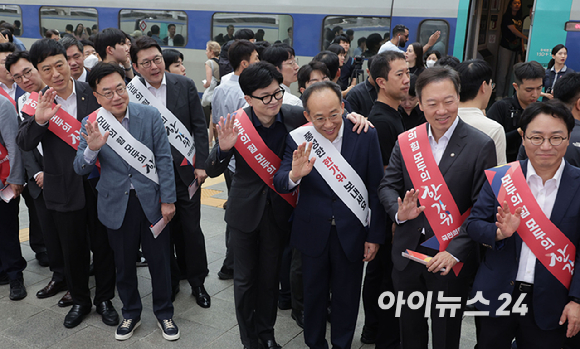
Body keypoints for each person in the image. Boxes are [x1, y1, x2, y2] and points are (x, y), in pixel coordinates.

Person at [378, 67, 497, 349]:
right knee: (410, 332)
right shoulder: (407, 141)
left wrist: (455, 252)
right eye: (432, 103)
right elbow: (387, 186)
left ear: (459, 97)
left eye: (449, 101)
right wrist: (398, 212)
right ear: (420, 104)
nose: (441, 110)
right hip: (408, 257)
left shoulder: (481, 145)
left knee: (446, 335)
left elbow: (484, 207)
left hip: (450, 259)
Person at [273, 80, 385, 349]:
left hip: (352, 232)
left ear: (344, 108)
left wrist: (375, 235)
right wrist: (294, 175)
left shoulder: (365, 134)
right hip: (312, 232)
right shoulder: (299, 139)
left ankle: (342, 345)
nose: (328, 124)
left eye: (334, 115)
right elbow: (279, 180)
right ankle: (315, 344)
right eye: (320, 118)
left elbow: (376, 187)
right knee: (313, 296)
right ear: (307, 116)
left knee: (347, 298)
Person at [73, 62, 179, 341]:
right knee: (123, 263)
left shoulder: (150, 115)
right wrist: (92, 151)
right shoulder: (91, 123)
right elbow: (79, 168)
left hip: (152, 202)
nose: (116, 96)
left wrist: (168, 200)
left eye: (120, 88)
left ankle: (164, 313)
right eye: (107, 92)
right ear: (96, 96)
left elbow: (164, 160)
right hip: (115, 203)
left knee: (160, 262)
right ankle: (131, 313)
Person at [17, 38, 118, 329]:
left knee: (103, 246)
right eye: (46, 69)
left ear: (69, 61)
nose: (56, 74)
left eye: (59, 64)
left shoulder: (93, 92)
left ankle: (105, 299)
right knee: (72, 250)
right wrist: (39, 121)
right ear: (38, 71)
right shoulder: (38, 102)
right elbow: (24, 141)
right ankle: (81, 301)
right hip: (63, 188)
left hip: (100, 183)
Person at [465, 100, 580, 349]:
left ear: (568, 138)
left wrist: (577, 300)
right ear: (523, 137)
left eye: (556, 138)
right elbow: (473, 225)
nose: (546, 146)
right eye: (537, 137)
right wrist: (498, 232)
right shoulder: (502, 177)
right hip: (498, 294)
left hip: (552, 300)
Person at [130, 36, 211, 308]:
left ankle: (198, 282)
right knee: (164, 231)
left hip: (186, 172)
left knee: (191, 229)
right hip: (152, 176)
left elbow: (200, 127)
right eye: (146, 62)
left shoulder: (184, 85)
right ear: (135, 66)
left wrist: (202, 164)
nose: (154, 66)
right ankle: (172, 280)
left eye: (157, 59)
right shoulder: (130, 94)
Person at [6, 50, 73, 305]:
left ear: (37, 68)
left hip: (68, 177)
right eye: (17, 77)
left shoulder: (62, 95)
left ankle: (76, 279)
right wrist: (36, 172)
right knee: (49, 232)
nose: (24, 79)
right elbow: (23, 144)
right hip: (40, 180)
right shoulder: (24, 103)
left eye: (28, 72)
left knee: (72, 233)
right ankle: (58, 275)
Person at [360, 51, 408, 348]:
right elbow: (384, 177)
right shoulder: (381, 120)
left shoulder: (395, 113)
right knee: (380, 273)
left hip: (393, 210)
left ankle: (373, 328)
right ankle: (374, 328)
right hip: (387, 212)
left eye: (407, 72)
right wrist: (391, 217)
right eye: (399, 75)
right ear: (380, 81)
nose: (407, 79)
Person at [487, 61, 544, 162]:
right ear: (516, 86)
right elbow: (490, 142)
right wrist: (519, 132)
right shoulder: (501, 107)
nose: (535, 94)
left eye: (539, 88)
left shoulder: (543, 110)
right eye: (529, 90)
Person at [0, 90, 26, 302]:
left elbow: (13, 145)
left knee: (7, 229)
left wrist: (15, 178)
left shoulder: (2, 104)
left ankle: (15, 275)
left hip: (3, 181)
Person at [457, 59, 507, 165]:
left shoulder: (440, 121)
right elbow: (497, 174)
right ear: (484, 86)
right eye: (491, 84)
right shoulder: (494, 129)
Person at [496, 0, 527, 99]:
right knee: (503, 72)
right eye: (515, 3)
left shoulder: (519, 17)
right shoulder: (507, 16)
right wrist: (527, 38)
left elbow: (520, 33)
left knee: (511, 73)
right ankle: (499, 95)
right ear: (510, 5)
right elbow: (513, 30)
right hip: (506, 46)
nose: (517, 5)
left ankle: (506, 95)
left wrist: (522, 45)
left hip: (516, 48)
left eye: (519, 3)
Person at [202, 41, 220, 142]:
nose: (206, 52)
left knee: (212, 118)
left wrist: (204, 84)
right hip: (220, 91)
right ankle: (214, 140)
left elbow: (208, 82)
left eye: (207, 50)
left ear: (211, 51)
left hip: (213, 92)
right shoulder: (222, 61)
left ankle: (209, 142)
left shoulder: (209, 63)